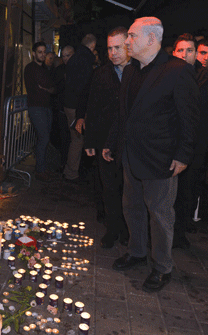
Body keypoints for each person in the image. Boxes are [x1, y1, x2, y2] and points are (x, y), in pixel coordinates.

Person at [103, 17, 199, 292]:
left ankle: (162, 267)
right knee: (131, 207)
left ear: (150, 39)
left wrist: (183, 155)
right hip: (131, 156)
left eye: (132, 36)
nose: (127, 41)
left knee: (159, 215)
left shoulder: (177, 70)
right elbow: (124, 114)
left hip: (161, 159)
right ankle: (137, 252)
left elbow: (189, 118)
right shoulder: (132, 71)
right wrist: (112, 142)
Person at [83, 26, 130, 248]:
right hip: (104, 143)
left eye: (118, 47)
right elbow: (92, 108)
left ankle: (130, 232)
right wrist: (90, 141)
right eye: (110, 48)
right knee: (109, 189)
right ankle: (112, 230)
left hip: (131, 144)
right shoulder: (101, 73)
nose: (113, 53)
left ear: (129, 46)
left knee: (130, 192)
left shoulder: (139, 71)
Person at [172, 34, 208, 249]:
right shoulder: (167, 74)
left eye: (190, 51)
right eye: (181, 51)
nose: (185, 55)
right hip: (172, 143)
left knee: (188, 190)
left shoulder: (203, 76)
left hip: (196, 145)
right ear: (174, 52)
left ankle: (180, 232)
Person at [63, 34, 97, 181]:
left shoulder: (75, 59)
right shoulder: (86, 60)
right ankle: (71, 173)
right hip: (76, 106)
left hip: (70, 104)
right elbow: (84, 89)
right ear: (92, 46)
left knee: (77, 139)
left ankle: (72, 171)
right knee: (78, 140)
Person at [24, 42, 55, 182]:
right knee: (44, 137)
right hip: (36, 107)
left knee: (45, 137)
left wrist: (46, 88)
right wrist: (46, 88)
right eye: (40, 52)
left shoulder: (45, 69)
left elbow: (52, 87)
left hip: (46, 107)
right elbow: (41, 87)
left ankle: (42, 166)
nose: (42, 54)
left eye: (44, 52)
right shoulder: (30, 68)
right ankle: (40, 169)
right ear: (34, 53)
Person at [50, 46, 74, 170]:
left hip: (74, 109)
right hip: (61, 109)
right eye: (63, 56)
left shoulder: (78, 69)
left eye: (68, 55)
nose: (65, 58)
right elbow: (54, 88)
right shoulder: (59, 70)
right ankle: (65, 163)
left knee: (73, 139)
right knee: (65, 138)